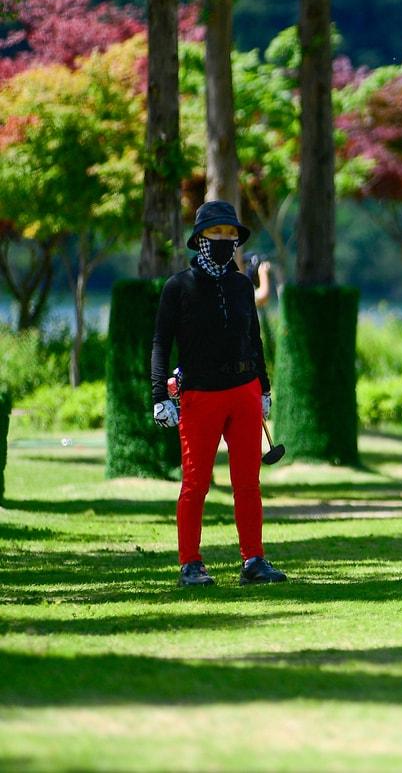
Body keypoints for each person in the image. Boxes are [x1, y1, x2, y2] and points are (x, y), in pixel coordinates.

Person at [151, 200, 285, 588]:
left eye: (231, 234)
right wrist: (160, 394)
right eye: (217, 234)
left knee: (248, 483)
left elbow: (254, 339)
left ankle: (254, 560)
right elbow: (161, 343)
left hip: (244, 393)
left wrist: (264, 387)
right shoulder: (178, 287)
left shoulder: (242, 285)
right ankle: (190, 564)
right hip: (200, 396)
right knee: (195, 484)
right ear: (200, 239)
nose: (226, 240)